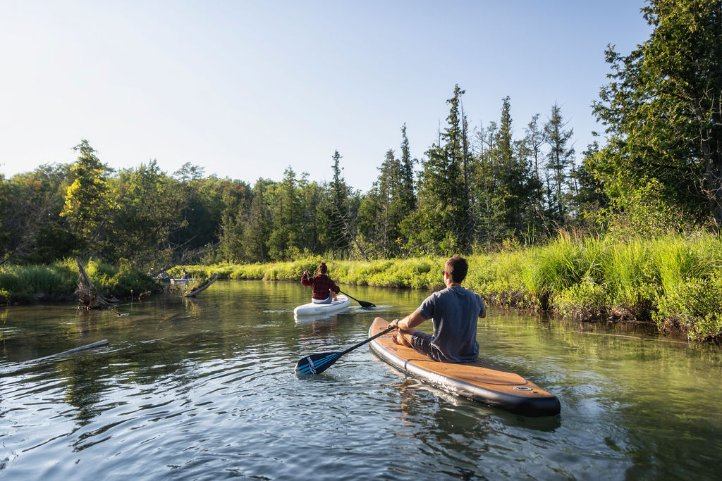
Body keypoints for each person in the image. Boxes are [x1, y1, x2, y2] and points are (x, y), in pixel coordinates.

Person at [388, 256, 485, 363]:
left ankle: (401, 339)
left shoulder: (436, 298)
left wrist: (396, 323)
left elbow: (409, 323)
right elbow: (483, 314)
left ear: (447, 275)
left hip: (441, 355)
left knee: (403, 329)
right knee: (429, 336)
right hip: (471, 355)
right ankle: (404, 340)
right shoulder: (475, 297)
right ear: (463, 277)